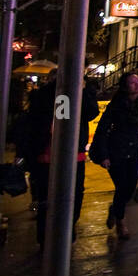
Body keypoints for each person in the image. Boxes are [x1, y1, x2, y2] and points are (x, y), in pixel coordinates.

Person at [24, 74, 100, 245]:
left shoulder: (80, 94)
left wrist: (83, 89)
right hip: (48, 154)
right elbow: (48, 120)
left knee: (75, 194)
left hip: (74, 154)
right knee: (48, 197)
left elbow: (90, 112)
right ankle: (47, 236)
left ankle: (66, 229)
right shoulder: (46, 95)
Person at [90, 71, 138, 240]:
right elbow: (102, 129)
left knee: (129, 187)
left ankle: (115, 210)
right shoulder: (117, 103)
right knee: (121, 186)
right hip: (116, 150)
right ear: (125, 86)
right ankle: (121, 221)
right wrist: (104, 154)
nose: (137, 84)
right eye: (132, 82)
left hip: (134, 149)